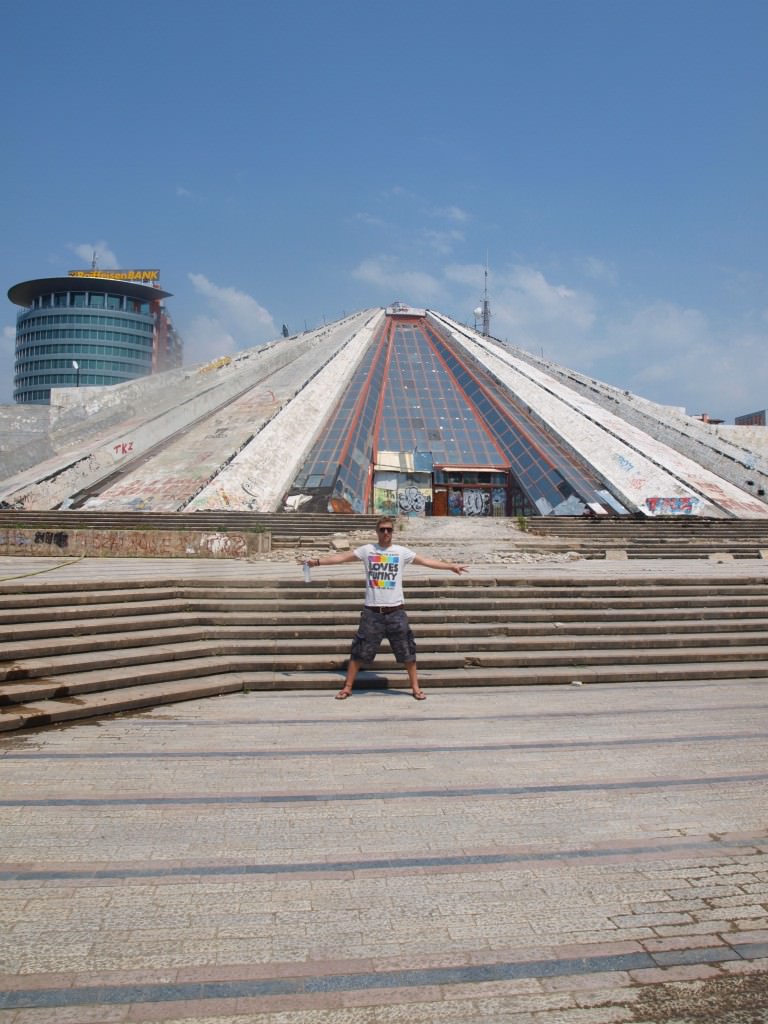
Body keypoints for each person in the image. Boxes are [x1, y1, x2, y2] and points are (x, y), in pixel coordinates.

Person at [302, 516, 469, 700]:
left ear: (393, 532)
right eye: (382, 529)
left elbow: (426, 561)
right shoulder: (367, 550)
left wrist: (451, 566)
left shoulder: (401, 552)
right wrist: (316, 562)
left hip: (396, 611)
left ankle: (416, 688)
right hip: (372, 612)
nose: (386, 533)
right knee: (358, 651)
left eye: (389, 529)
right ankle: (347, 687)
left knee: (407, 651)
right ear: (377, 532)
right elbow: (342, 557)